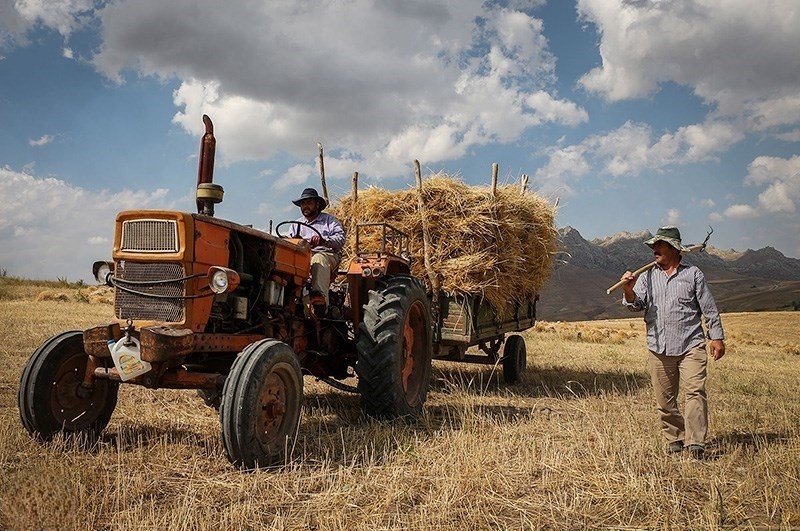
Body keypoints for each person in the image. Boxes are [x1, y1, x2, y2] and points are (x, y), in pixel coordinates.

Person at [619, 226, 725, 460]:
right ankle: (675, 437)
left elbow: (708, 308)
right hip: (659, 346)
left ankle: (696, 443)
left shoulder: (693, 274)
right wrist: (628, 291)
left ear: (675, 249)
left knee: (695, 391)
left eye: (659, 245)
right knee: (665, 399)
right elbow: (637, 305)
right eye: (653, 246)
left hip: (691, 344)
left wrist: (716, 336)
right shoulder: (647, 276)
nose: (654, 249)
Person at [291, 187, 345, 315]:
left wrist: (323, 240)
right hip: (303, 257)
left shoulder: (329, 221)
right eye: (303, 203)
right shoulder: (296, 224)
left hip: (327, 254)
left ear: (317, 204)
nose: (305, 206)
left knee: (318, 258)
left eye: (309, 203)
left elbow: (340, 239)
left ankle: (319, 299)